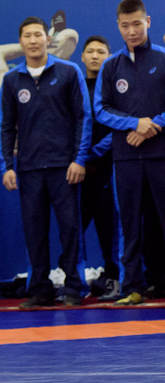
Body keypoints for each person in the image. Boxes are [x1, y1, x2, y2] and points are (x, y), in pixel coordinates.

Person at [0, 17, 91, 308]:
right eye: (27, 36)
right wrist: (7, 167)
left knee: (70, 228)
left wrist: (79, 159)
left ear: (47, 39)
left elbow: (82, 118)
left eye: (38, 34)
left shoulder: (68, 72)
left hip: (64, 167)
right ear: (21, 41)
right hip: (29, 168)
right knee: (34, 231)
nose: (34, 40)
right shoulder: (12, 80)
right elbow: (6, 126)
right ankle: (39, 289)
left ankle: (74, 287)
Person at [94, 0, 165, 305]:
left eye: (137, 24)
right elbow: (100, 109)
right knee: (129, 224)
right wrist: (134, 124)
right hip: (125, 159)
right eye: (125, 26)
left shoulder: (163, 58)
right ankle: (132, 287)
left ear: (147, 22)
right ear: (118, 27)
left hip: (161, 155)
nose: (132, 31)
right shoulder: (111, 66)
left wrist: (153, 125)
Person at [78, 36, 121, 300]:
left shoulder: (114, 88)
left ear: (108, 56)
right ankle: (74, 281)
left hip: (107, 169)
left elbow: (118, 126)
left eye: (101, 51)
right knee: (74, 230)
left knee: (110, 230)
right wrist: (80, 157)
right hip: (77, 171)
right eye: (90, 51)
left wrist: (95, 153)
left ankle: (114, 278)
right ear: (82, 56)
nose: (95, 55)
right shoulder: (75, 85)